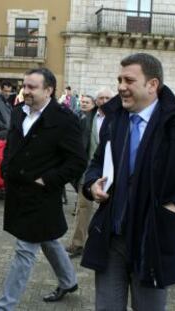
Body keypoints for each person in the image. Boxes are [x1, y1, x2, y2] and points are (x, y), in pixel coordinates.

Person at [81, 53, 175, 310]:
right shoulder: (114, 118)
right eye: (119, 79)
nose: (121, 87)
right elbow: (97, 162)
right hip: (111, 238)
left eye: (129, 80)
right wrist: (93, 183)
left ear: (152, 85)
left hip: (152, 240)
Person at [0, 68, 87, 310]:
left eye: (32, 87)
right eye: (25, 86)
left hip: (42, 196)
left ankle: (4, 306)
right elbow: (12, 145)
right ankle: (69, 281)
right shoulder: (17, 112)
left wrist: (48, 180)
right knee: (47, 239)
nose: (26, 91)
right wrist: (5, 168)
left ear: (49, 90)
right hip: (17, 192)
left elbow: (77, 161)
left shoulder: (65, 119)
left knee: (25, 250)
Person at [66, 88, 114, 258]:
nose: (105, 100)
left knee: (110, 211)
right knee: (83, 208)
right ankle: (78, 244)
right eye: (101, 98)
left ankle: (106, 246)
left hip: (112, 173)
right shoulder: (87, 118)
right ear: (97, 101)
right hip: (87, 171)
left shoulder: (120, 119)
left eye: (108, 97)